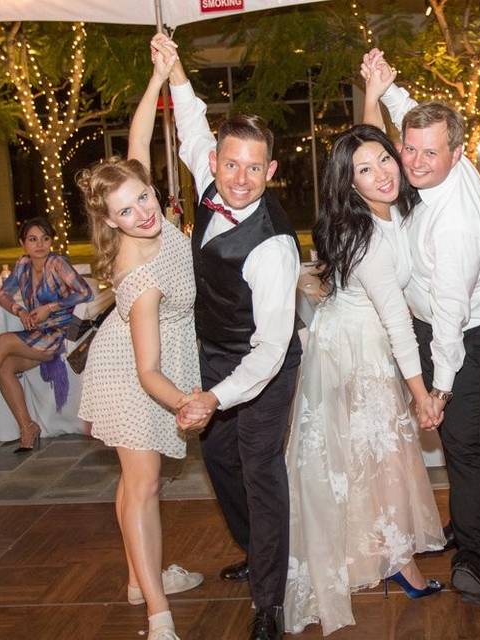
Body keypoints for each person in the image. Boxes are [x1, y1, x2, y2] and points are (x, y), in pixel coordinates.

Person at [361, 49, 480, 605]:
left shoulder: (459, 223)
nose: (415, 161)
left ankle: (478, 562)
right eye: (410, 149)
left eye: (430, 152)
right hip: (435, 324)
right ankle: (464, 524)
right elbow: (414, 121)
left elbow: (451, 319)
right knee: (453, 444)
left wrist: (439, 391)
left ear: (457, 153)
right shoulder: (436, 153)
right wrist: (386, 86)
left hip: (471, 332)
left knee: (469, 445)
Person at [161, 34, 302, 640]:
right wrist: (175, 72)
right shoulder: (209, 180)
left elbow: (269, 350)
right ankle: (253, 547)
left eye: (254, 168)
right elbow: (191, 124)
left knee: (259, 466)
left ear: (271, 171)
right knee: (218, 460)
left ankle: (268, 601)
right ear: (216, 161)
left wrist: (214, 397)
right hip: (215, 352)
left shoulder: (272, 245)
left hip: (266, 363)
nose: (239, 179)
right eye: (230, 163)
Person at [283, 122, 446, 635]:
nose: (380, 174)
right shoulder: (368, 234)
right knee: (378, 459)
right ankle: (398, 564)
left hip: (352, 341)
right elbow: (397, 322)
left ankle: (384, 558)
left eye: (384, 160)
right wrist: (423, 395)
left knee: (365, 459)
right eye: (364, 170)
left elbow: (363, 146)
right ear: (349, 183)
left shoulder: (390, 210)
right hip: (356, 352)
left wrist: (375, 91)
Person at [76, 40, 202, 640]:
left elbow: (137, 144)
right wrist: (187, 402)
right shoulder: (141, 277)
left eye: (144, 196)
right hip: (135, 374)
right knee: (145, 483)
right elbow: (149, 371)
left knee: (134, 483)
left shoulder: (144, 197)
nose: (145, 212)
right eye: (128, 211)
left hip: (153, 353)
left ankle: (138, 578)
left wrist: (156, 79)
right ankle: (157, 614)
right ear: (112, 223)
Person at [0, 217, 92, 452]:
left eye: (45, 239)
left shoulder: (57, 263)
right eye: (33, 239)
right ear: (23, 243)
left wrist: (50, 308)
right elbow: (2, 295)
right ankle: (27, 427)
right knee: (4, 367)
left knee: (2, 341)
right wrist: (20, 311)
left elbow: (84, 292)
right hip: (37, 335)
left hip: (60, 334)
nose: (40, 245)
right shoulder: (23, 266)